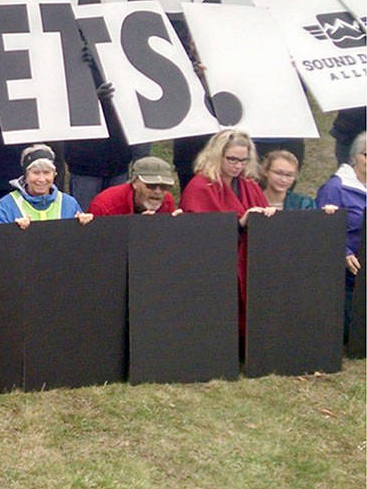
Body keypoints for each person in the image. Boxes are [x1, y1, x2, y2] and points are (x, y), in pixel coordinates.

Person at [180, 129, 275, 340]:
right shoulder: (200, 186)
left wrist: (266, 216)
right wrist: (239, 223)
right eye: (232, 159)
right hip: (215, 268)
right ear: (217, 155)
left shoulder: (249, 185)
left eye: (243, 160)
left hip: (249, 262)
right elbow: (197, 233)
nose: (238, 165)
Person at [316, 131, 366, 341]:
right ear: (354, 157)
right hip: (345, 277)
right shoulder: (335, 187)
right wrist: (343, 252)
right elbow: (322, 229)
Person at [0, 144, 93, 228]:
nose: (42, 179)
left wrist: (85, 226)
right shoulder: (6, 205)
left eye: (47, 172)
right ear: (25, 175)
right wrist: (13, 231)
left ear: (54, 174)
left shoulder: (69, 203)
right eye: (36, 173)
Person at [88, 156, 181, 216]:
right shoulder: (105, 205)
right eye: (151, 185)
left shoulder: (167, 200)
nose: (158, 191)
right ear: (135, 183)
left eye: (164, 186)